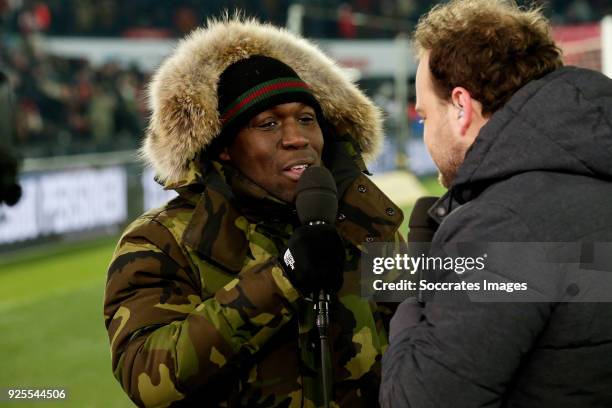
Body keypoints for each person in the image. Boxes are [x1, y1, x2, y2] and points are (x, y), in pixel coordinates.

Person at [104, 18, 404, 407]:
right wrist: (283, 276)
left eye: (307, 119)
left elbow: (419, 341)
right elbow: (147, 378)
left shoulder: (362, 222)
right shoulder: (162, 240)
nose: (297, 138)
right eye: (268, 123)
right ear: (226, 147)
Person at [381, 0, 612, 407]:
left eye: (424, 118)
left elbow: (417, 400)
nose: (425, 132)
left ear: (461, 108)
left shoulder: (505, 226)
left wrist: (415, 290)